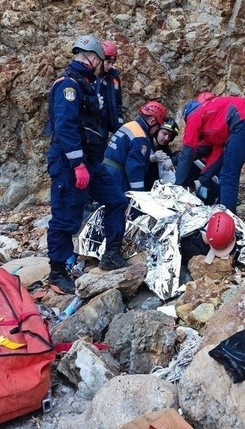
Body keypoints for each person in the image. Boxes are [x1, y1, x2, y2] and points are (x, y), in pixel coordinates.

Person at [45, 34, 131, 290]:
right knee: (65, 218)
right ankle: (57, 272)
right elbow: (65, 127)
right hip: (70, 164)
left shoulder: (87, 85)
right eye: (101, 60)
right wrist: (77, 164)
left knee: (117, 200)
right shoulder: (68, 86)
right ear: (93, 58)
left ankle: (111, 254)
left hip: (92, 162)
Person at [175, 94, 245, 213]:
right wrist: (202, 180)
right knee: (229, 172)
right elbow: (218, 156)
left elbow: (187, 152)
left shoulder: (194, 115)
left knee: (228, 176)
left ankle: (228, 220)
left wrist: (177, 186)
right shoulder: (215, 126)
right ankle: (228, 215)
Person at [103, 101, 168, 192]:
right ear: (152, 121)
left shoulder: (130, 125)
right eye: (157, 127)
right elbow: (134, 167)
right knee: (120, 205)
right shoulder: (140, 136)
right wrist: (139, 193)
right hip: (117, 177)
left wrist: (150, 158)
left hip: (106, 171)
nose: (156, 131)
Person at [96, 40, 124, 143]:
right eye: (108, 62)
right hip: (93, 125)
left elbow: (118, 104)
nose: (111, 66)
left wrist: (119, 126)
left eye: (113, 63)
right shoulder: (92, 76)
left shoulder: (114, 79)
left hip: (105, 127)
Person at [144, 117, 179, 190]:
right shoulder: (144, 142)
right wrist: (151, 159)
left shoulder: (167, 152)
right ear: (157, 132)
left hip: (152, 187)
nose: (166, 138)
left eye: (170, 136)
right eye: (164, 133)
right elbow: (133, 159)